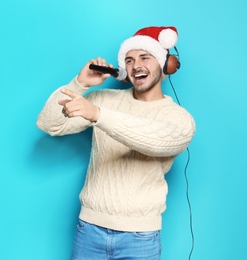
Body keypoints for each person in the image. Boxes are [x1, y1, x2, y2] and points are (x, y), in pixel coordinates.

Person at [36, 26, 196, 260]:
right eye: (129, 60)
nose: (136, 66)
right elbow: (49, 123)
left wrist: (99, 116)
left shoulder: (178, 119)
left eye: (145, 57)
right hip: (89, 229)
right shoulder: (104, 100)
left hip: (140, 237)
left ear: (164, 65)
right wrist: (79, 83)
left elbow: (153, 140)